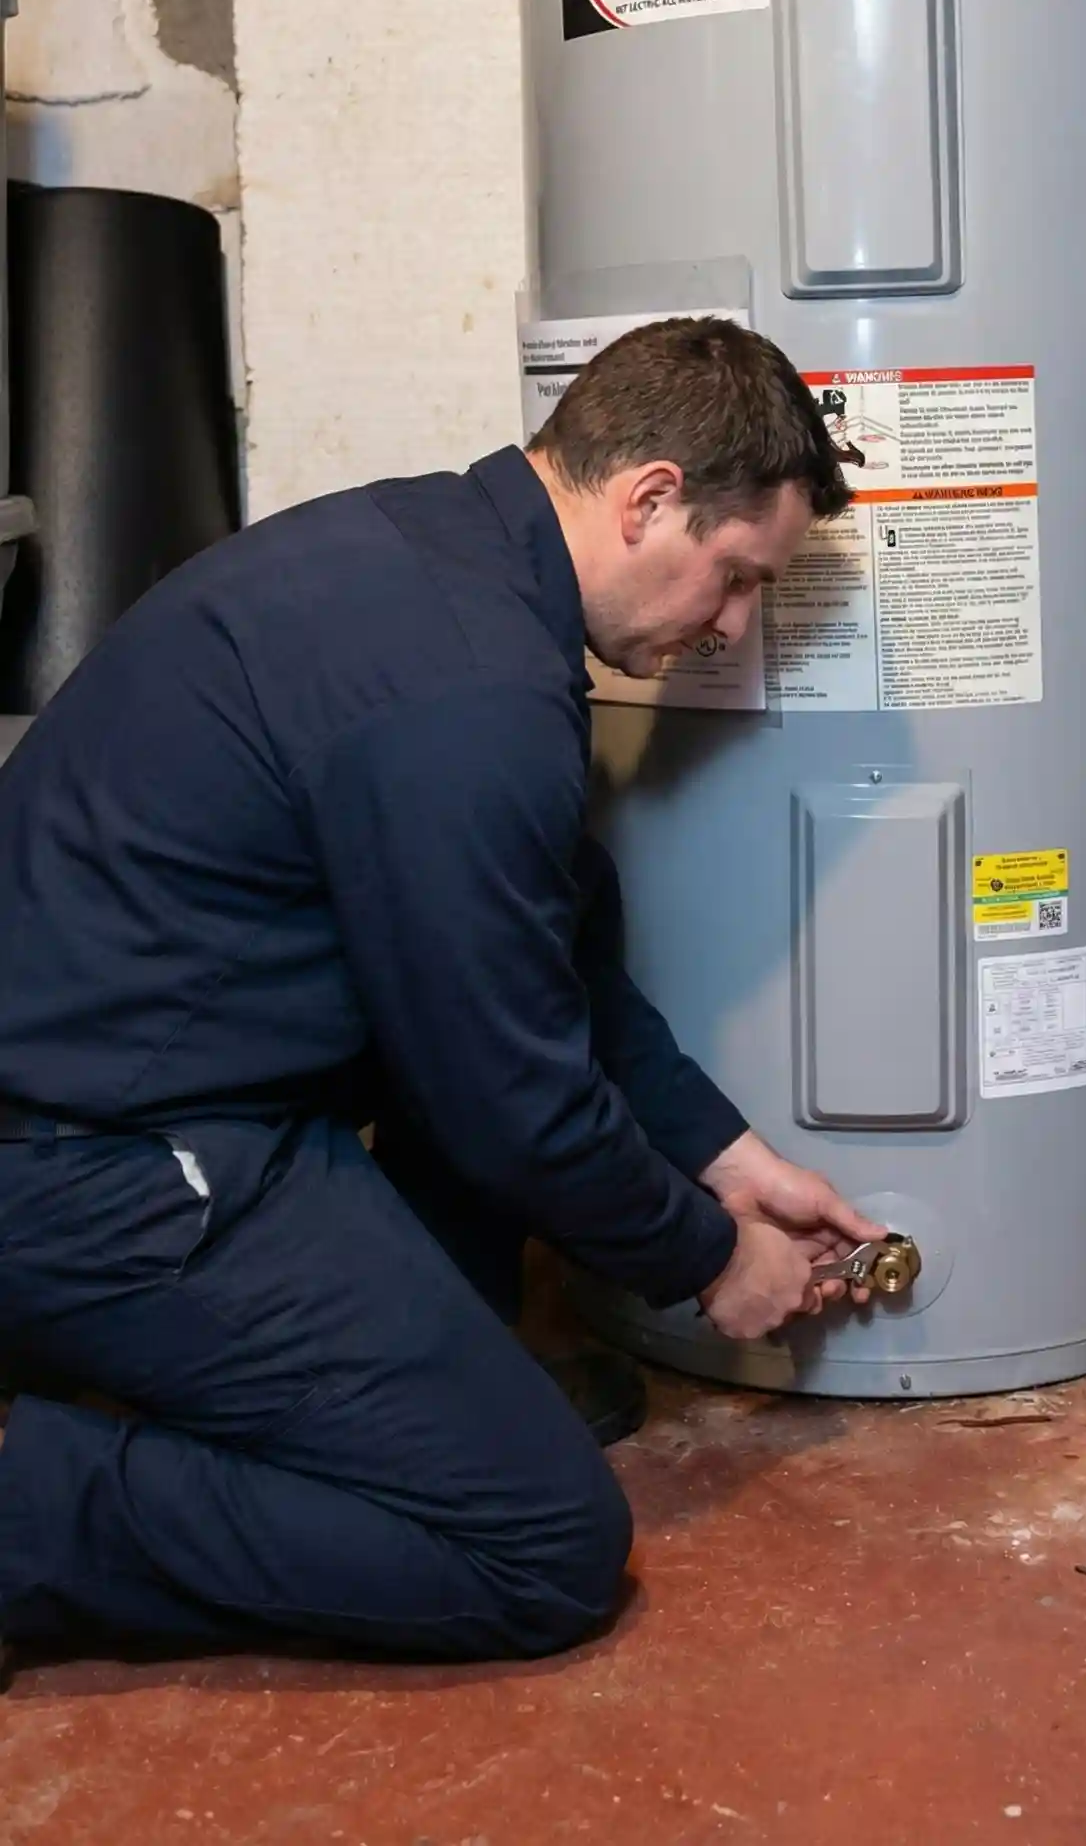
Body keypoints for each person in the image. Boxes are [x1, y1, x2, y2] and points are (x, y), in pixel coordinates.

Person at [0, 316, 878, 1664]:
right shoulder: (473, 701)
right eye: (736, 576)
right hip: (94, 1166)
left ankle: (397, 1397)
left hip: (150, 1071)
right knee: (539, 1546)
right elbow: (510, 1098)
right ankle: (35, 1514)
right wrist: (712, 1263)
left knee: (506, 992)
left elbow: (548, 955)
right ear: (650, 498)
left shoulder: (441, 561)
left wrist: (723, 1155)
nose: (734, 626)